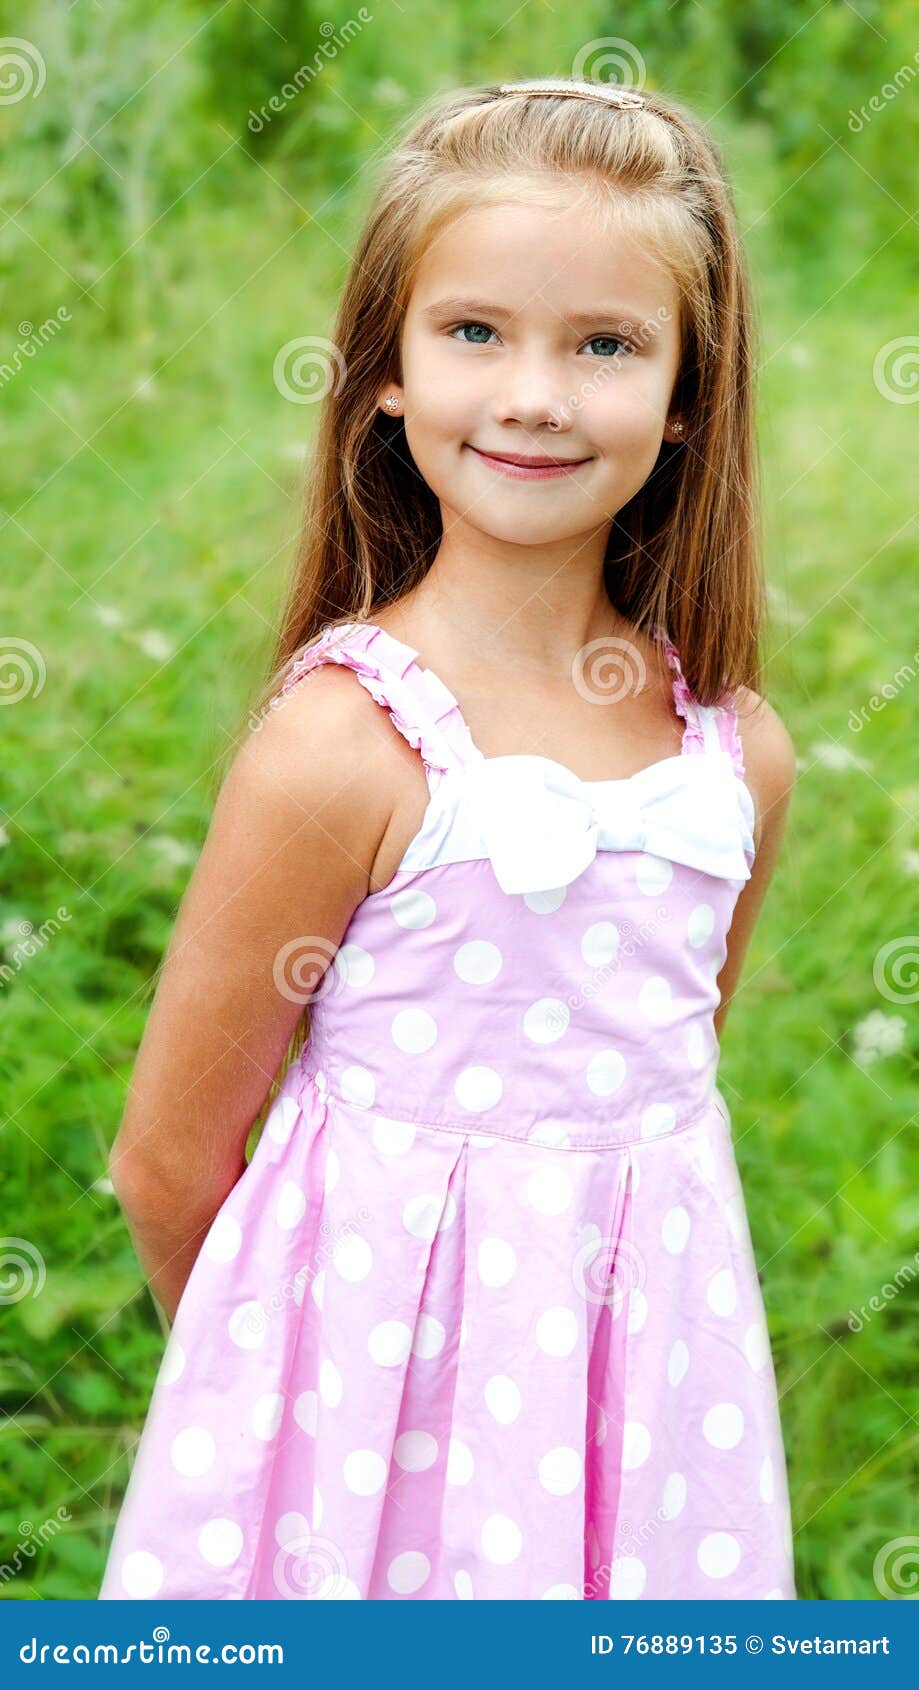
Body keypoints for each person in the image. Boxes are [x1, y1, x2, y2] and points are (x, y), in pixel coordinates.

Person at [99, 76, 798, 1601]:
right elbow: (168, 1157)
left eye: (605, 343)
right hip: (349, 1451)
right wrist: (280, 1405)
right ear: (388, 375)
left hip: (648, 1444)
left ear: (687, 393)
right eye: (474, 331)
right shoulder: (344, 747)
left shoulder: (732, 761)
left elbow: (658, 1112)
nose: (536, 394)